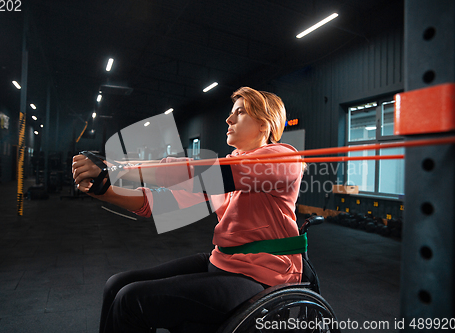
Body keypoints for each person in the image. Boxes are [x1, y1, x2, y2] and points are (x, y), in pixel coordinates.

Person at [72, 87, 305, 333]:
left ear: (264, 124)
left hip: (262, 275)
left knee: (132, 299)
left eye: (241, 112)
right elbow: (156, 203)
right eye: (231, 113)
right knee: (116, 284)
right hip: (223, 261)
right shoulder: (231, 162)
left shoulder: (282, 158)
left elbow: (208, 175)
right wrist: (103, 189)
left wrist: (119, 169)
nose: (229, 119)